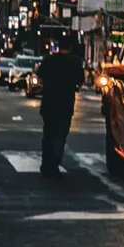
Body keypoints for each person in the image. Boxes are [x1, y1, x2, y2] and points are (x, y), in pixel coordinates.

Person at [36, 26, 84, 181]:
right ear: (70, 47)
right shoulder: (75, 62)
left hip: (49, 102)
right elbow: (80, 81)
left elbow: (40, 74)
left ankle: (46, 163)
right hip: (65, 103)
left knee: (48, 134)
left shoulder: (49, 60)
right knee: (60, 135)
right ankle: (54, 164)